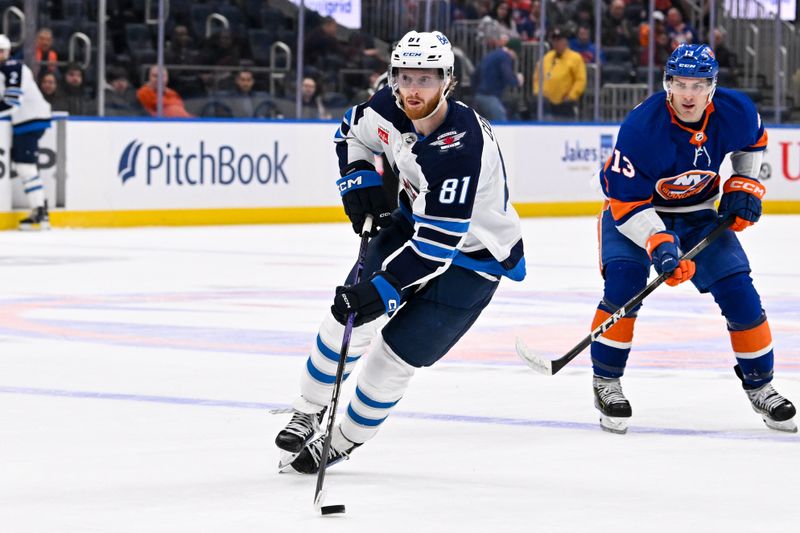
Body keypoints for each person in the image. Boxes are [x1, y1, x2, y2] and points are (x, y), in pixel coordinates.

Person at [275, 30, 526, 473]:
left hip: (474, 258)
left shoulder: (459, 147)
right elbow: (352, 132)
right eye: (405, 76)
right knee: (346, 316)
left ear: (447, 81)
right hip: (413, 224)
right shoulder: (386, 105)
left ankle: (341, 440)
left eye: (426, 78)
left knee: (394, 355)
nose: (413, 89)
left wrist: (383, 290)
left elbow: (437, 247)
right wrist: (359, 178)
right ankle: (308, 408)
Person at [588, 43, 796, 435]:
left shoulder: (736, 111)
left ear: (712, 87)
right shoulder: (641, 129)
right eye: (680, 83)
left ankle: (761, 385)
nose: (688, 94)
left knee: (739, 291)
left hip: (698, 215)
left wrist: (743, 184)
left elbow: (753, 143)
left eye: (698, 85)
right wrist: (659, 243)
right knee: (624, 286)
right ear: (667, 84)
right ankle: (606, 381)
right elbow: (627, 203)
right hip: (631, 212)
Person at [0, 35, 52, 230]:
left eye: (1, 51)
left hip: (30, 120)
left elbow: (12, 102)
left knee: (25, 166)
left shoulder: (14, 67)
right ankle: (40, 210)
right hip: (26, 120)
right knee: (25, 166)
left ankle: (40, 211)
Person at [532, 27, 586, 120]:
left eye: (559, 40)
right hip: (546, 103)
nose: (556, 43)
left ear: (566, 41)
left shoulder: (575, 58)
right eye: (554, 40)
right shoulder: (547, 57)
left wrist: (571, 96)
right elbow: (537, 76)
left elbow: (580, 80)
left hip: (565, 104)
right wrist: (538, 92)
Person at [473, 37, 523, 121]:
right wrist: (517, 81)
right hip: (489, 96)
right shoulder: (504, 57)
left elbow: (475, 74)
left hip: (479, 95)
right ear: (514, 50)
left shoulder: (492, 55)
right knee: (501, 121)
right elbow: (507, 76)